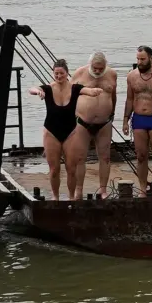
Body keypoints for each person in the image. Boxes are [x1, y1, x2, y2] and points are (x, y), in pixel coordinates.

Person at [28, 59, 106, 200]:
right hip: (51, 131)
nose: (59, 76)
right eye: (56, 73)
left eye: (61, 73)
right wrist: (37, 92)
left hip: (70, 132)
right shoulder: (47, 89)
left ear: (67, 73)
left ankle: (71, 197)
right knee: (54, 170)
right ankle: (55, 196)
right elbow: (33, 89)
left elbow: (86, 90)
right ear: (53, 73)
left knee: (71, 168)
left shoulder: (75, 88)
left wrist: (95, 91)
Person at [122, 46, 152, 195]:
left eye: (142, 59)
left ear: (150, 58)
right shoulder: (132, 76)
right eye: (137, 59)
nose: (140, 62)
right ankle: (143, 188)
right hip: (139, 118)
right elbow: (130, 99)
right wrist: (125, 120)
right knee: (141, 155)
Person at [72, 51, 118, 198]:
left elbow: (114, 95)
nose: (97, 71)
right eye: (95, 68)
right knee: (80, 157)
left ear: (105, 66)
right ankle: (79, 190)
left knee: (105, 157)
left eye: (100, 68)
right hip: (82, 122)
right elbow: (69, 94)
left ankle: (103, 190)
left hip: (104, 123)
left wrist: (112, 113)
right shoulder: (80, 73)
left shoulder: (112, 74)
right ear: (90, 64)